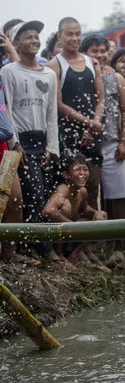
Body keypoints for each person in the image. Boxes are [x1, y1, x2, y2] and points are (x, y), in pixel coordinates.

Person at [0, 20, 58, 266]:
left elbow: (51, 112)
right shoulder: (8, 72)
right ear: (16, 43)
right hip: (20, 141)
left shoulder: (49, 74)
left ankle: (33, 246)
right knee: (27, 194)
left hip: (41, 139)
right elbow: (7, 108)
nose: (34, 40)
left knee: (41, 194)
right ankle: (40, 249)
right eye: (27, 37)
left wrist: (52, 147)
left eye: (36, 37)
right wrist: (14, 141)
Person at [48, 17, 104, 206]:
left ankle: (98, 233)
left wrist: (93, 126)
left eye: (78, 34)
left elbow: (100, 99)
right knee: (72, 188)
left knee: (94, 185)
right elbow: (59, 104)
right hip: (68, 135)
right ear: (60, 36)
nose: (74, 38)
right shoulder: (54, 66)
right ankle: (76, 233)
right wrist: (89, 123)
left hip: (93, 133)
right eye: (69, 34)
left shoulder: (91, 62)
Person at [80, 35, 125, 225]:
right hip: (86, 145)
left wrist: (124, 142)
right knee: (90, 192)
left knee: (120, 192)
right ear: (84, 54)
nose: (100, 55)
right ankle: (96, 241)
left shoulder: (116, 77)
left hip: (112, 142)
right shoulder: (80, 76)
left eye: (103, 51)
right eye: (94, 51)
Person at [41, 153, 109, 272]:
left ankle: (75, 254)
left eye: (85, 169)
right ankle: (60, 255)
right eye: (77, 170)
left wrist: (96, 213)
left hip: (69, 234)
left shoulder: (82, 191)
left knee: (101, 214)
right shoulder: (63, 189)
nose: (82, 173)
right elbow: (48, 211)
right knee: (65, 207)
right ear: (67, 174)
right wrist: (72, 225)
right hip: (53, 237)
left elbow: (84, 210)